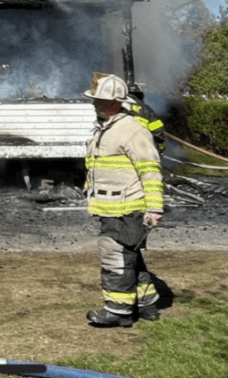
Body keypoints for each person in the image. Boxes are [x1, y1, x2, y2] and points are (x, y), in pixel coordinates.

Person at [82, 72, 164, 328]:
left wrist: (153, 208)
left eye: (98, 100)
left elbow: (150, 170)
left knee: (115, 256)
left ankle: (118, 310)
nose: (94, 103)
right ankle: (147, 304)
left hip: (127, 205)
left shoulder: (131, 129)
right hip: (112, 204)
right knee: (130, 254)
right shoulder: (108, 128)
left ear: (113, 102)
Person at [125, 82, 166, 155]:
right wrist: (161, 149)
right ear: (140, 95)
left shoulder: (117, 105)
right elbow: (158, 133)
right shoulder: (147, 110)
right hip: (141, 147)